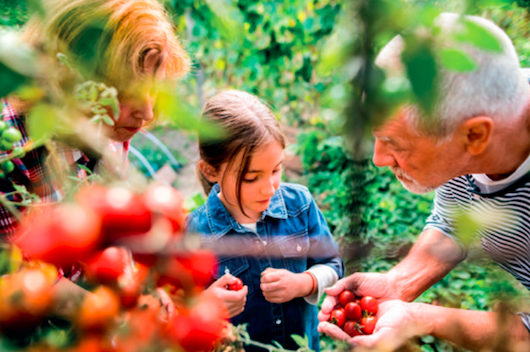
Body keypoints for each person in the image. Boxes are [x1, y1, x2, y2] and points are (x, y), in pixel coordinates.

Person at [318, 13, 530, 351]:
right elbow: (451, 222)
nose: (379, 159)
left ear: (475, 135)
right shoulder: (466, 123)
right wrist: (397, 284)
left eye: (394, 143)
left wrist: (421, 317)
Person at [0, 0, 189, 320]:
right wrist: (123, 321)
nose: (147, 113)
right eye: (129, 90)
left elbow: (111, 236)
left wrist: (143, 289)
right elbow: (20, 280)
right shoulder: (11, 149)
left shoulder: (108, 128)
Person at [185, 90, 344, 352]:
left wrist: (303, 283)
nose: (269, 188)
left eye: (276, 169)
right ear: (211, 171)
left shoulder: (299, 205)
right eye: (251, 178)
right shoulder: (194, 234)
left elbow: (333, 265)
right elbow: (178, 314)